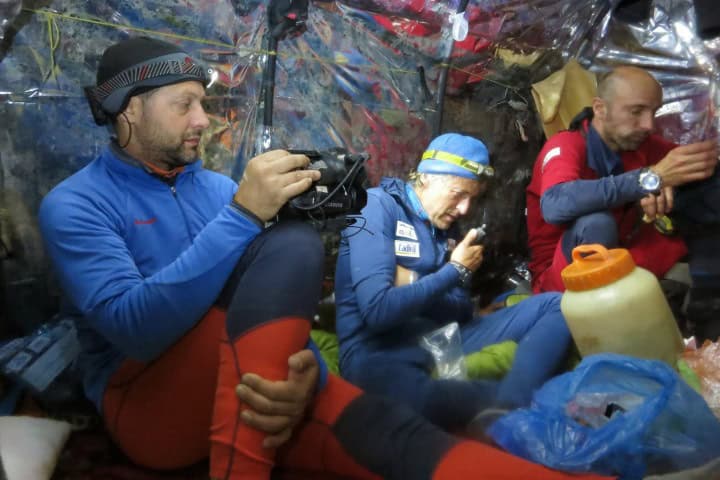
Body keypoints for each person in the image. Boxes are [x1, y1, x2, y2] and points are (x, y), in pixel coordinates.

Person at [38, 37, 613, 480]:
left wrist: (307, 365)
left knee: (394, 435)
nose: (202, 120)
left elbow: (265, 306)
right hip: (146, 403)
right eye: (184, 104)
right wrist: (244, 217)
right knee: (289, 243)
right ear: (128, 112)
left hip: (247, 386)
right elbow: (135, 332)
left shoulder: (212, 188)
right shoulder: (74, 205)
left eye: (204, 104)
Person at [334, 132, 574, 433]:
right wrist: (453, 271)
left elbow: (459, 310)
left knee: (556, 305)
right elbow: (379, 312)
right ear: (426, 178)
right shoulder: (375, 208)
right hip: (377, 352)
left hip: (438, 338)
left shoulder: (445, 229)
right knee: (426, 404)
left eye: (472, 198)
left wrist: (413, 280)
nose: (464, 209)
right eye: (458, 194)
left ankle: (509, 406)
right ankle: (508, 409)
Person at [526, 65, 720, 341]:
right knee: (596, 223)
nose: (649, 124)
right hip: (564, 281)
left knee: (706, 189)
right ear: (600, 108)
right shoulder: (566, 145)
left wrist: (673, 184)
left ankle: (708, 316)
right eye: (636, 111)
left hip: (626, 254)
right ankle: (606, 336)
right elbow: (556, 204)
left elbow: (694, 165)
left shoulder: (639, 144)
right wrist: (649, 180)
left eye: (653, 112)